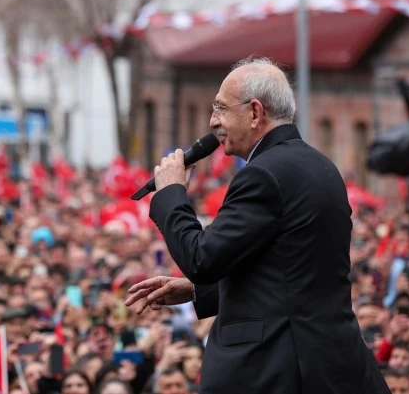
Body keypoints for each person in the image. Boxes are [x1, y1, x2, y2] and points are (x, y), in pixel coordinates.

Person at [125, 57, 391, 394]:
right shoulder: (319, 165)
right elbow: (291, 275)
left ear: (254, 112)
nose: (212, 121)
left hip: (274, 369)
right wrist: (197, 290)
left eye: (220, 109)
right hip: (328, 363)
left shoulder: (262, 174)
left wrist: (171, 194)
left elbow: (201, 260)